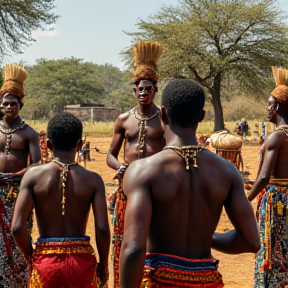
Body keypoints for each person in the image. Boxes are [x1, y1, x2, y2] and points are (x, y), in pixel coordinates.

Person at [120, 79, 260, 288]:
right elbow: (251, 241)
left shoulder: (142, 171)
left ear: (163, 114)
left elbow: (133, 248)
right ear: (202, 116)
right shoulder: (227, 171)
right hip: (208, 281)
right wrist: (207, 237)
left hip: (159, 281)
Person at [11, 113, 110, 287]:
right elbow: (102, 228)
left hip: (45, 265)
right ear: (80, 144)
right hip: (83, 264)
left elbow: (17, 227)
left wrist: (31, 256)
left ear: (48, 145)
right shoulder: (93, 180)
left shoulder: (33, 177)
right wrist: (103, 265)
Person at [106, 40, 165, 287]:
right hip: (127, 188)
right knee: (123, 238)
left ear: (155, 88)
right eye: (139, 88)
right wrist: (119, 167)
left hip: (156, 188)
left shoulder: (164, 117)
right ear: (134, 90)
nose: (143, 92)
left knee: (154, 237)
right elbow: (110, 154)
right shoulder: (123, 119)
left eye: (148, 88)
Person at [0, 64, 41, 287]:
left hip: (18, 194)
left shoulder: (29, 133)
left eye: (13, 104)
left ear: (20, 105)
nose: (9, 107)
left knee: (18, 237)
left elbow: (36, 163)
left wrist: (17, 174)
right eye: (5, 103)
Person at [248, 66, 288, 287]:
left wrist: (246, 201)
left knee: (272, 250)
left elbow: (264, 178)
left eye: (269, 104)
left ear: (278, 107)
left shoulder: (277, 138)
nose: (267, 108)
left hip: (276, 201)